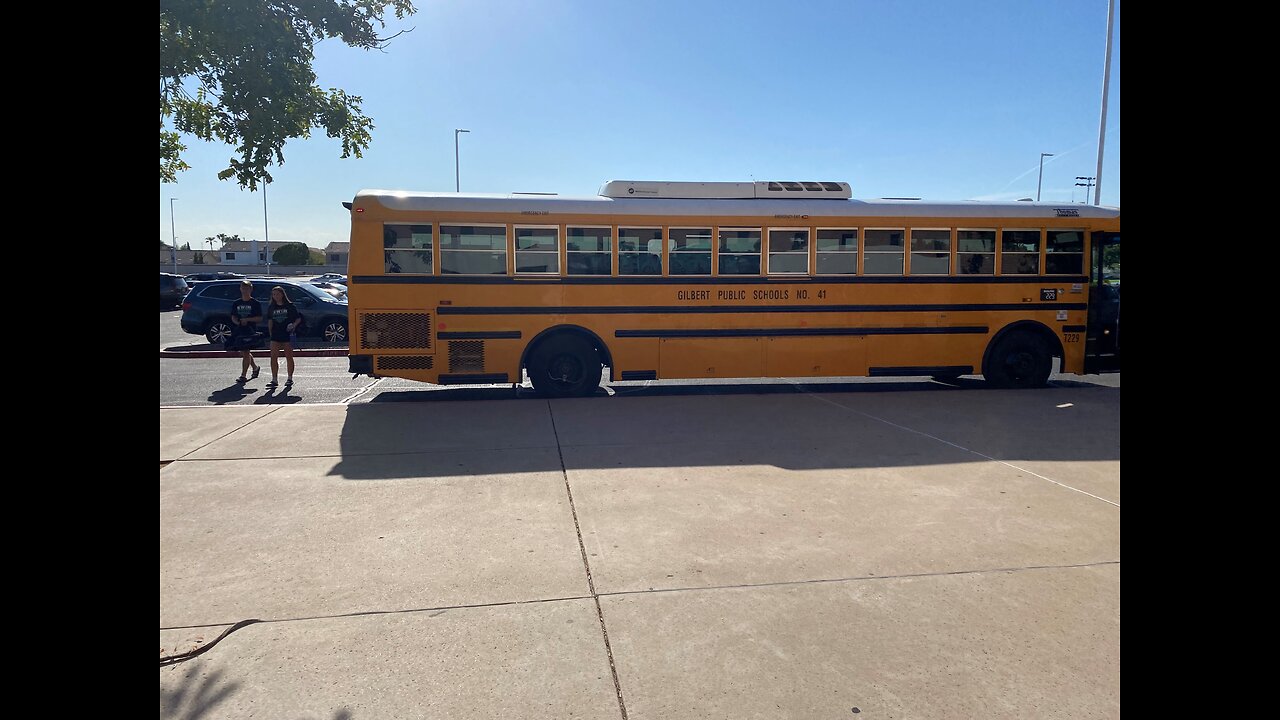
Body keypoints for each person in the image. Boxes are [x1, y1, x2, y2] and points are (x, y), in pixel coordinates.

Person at [265, 285, 302, 388]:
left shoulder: (290, 306)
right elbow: (270, 321)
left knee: (289, 356)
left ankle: (290, 378)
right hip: (276, 334)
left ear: (282, 294)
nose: (275, 296)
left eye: (277, 294)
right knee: (273, 357)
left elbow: (298, 319)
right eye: (273, 294)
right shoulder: (271, 307)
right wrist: (271, 333)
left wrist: (293, 325)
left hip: (287, 334)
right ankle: (274, 379)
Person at [230, 280, 262, 383]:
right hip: (239, 330)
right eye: (243, 288)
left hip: (250, 330)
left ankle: (243, 375)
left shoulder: (255, 303)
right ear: (240, 289)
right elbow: (233, 316)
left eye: (247, 288)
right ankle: (255, 368)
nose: (245, 290)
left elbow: (259, 318)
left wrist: (247, 320)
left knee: (246, 351)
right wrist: (237, 322)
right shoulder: (237, 303)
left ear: (251, 289)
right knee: (244, 352)